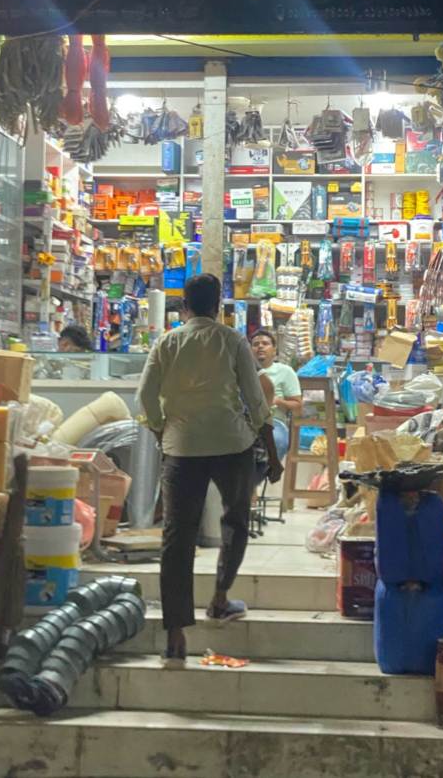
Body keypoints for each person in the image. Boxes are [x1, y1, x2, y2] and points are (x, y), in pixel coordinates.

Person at [137, 273, 283, 668]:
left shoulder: (167, 342)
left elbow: (145, 396)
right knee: (235, 520)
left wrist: (161, 429)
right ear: (218, 306)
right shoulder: (232, 340)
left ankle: (175, 634)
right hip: (232, 444)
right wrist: (271, 452)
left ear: (183, 306)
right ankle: (219, 600)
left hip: (181, 448)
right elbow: (255, 400)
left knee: (177, 537)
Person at [250, 328, 303, 465]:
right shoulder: (242, 371)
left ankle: (264, 473)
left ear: (274, 350)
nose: (260, 346)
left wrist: (278, 401)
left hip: (274, 422)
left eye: (265, 343)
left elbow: (298, 405)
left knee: (276, 440)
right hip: (246, 422)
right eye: (255, 344)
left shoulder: (285, 371)